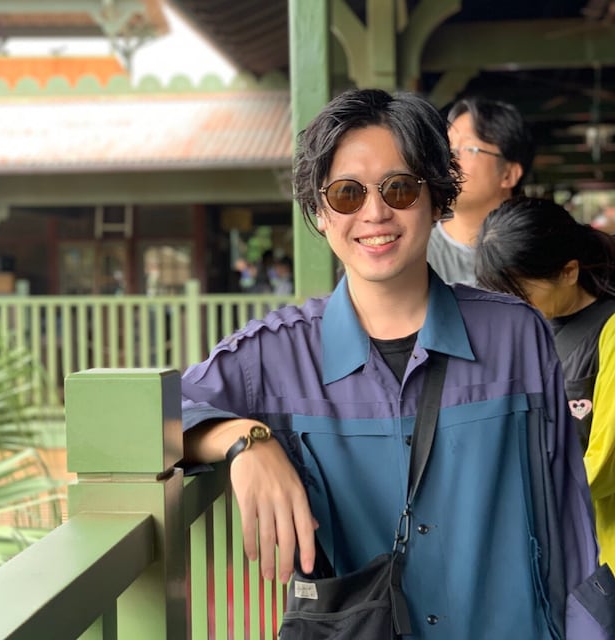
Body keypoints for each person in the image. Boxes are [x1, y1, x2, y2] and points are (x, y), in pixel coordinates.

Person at [181, 88, 612, 639]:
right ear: (320, 213)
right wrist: (245, 440)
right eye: (347, 193)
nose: (375, 212)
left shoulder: (516, 335)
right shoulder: (277, 355)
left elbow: (568, 520)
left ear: (437, 198)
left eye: (400, 188)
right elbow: (146, 416)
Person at [476, 194, 615, 575]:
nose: (509, 307)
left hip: (601, 555)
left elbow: (604, 463)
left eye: (521, 295)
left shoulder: (609, 330)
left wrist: (519, 499)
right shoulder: (521, 332)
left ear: (569, 272)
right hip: (548, 549)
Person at [427, 96, 534, 285]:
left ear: (508, 174)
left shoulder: (537, 254)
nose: (450, 160)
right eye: (448, 148)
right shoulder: (417, 255)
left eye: (469, 149)